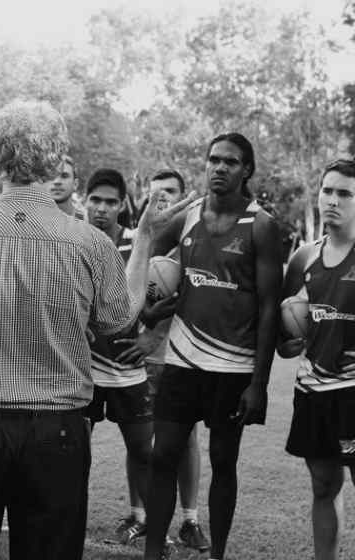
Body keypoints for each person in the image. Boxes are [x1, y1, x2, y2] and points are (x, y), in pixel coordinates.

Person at [0, 100, 194, 560]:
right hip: (55, 434)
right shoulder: (87, 240)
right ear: (54, 161)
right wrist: (145, 238)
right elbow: (119, 318)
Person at [144, 133, 283, 560]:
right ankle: (152, 552)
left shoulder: (260, 225)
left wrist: (258, 383)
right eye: (213, 160)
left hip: (233, 368)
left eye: (231, 162)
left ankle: (218, 553)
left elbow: (269, 308)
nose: (219, 168)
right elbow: (150, 253)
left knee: (224, 463)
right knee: (162, 455)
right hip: (182, 362)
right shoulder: (187, 218)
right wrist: (151, 311)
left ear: (247, 171)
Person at [279, 158, 355, 560]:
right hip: (313, 391)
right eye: (328, 190)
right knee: (323, 486)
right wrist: (288, 343)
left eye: (345, 193)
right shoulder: (303, 258)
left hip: (353, 395)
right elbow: (287, 332)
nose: (333, 200)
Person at [132, 168, 209, 552]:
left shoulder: (194, 244)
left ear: (185, 199)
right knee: (144, 443)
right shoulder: (138, 244)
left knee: (187, 440)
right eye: (155, 194)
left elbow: (196, 298)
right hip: (140, 361)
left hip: (181, 357)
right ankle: (145, 518)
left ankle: (190, 520)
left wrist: (155, 331)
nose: (163, 201)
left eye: (171, 194)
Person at [82, 168, 153, 545]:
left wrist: (152, 337)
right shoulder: (72, 240)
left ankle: (143, 518)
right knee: (74, 452)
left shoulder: (137, 243)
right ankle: (68, 515)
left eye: (111, 202)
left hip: (128, 367)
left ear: (122, 205)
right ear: (84, 200)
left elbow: (172, 293)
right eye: (96, 200)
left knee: (143, 448)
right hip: (82, 372)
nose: (102, 209)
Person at [47, 155, 85, 219]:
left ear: (75, 184)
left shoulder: (86, 222)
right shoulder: (29, 220)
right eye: (51, 176)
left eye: (64, 176)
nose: (57, 182)